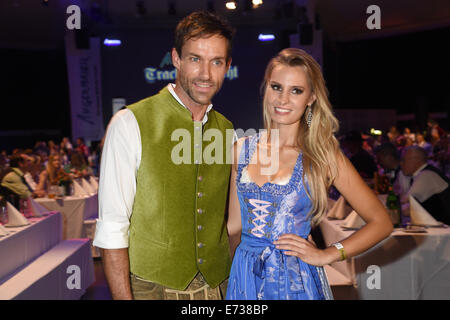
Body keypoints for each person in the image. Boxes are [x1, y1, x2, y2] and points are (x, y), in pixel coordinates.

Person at [226, 48, 393, 300]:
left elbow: (381, 222)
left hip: (294, 282)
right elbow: (234, 227)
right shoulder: (240, 149)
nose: (283, 99)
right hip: (244, 277)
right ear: (266, 89)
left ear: (311, 98)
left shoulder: (322, 155)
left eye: (296, 90)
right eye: (276, 87)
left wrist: (328, 253)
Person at [93, 11, 235, 300]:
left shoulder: (226, 129)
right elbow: (112, 229)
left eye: (216, 62)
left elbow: (229, 223)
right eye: (195, 59)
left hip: (218, 286)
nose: (206, 74)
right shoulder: (130, 122)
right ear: (176, 58)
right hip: (150, 288)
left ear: (227, 66)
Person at [399, 146, 450, 224]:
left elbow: (405, 209)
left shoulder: (426, 175)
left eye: (403, 160)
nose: (401, 163)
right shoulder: (423, 173)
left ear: (416, 161)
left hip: (444, 231)